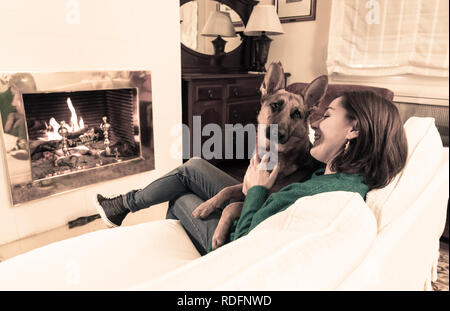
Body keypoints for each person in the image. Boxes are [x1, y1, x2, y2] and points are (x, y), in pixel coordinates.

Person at [95, 91, 408, 256]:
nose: (312, 125)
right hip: (254, 207)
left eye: (326, 116)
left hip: (232, 245)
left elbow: (247, 240)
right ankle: (122, 205)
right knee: (192, 165)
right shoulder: (340, 174)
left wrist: (253, 191)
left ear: (354, 128)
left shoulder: (320, 192)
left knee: (182, 196)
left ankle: (185, 269)